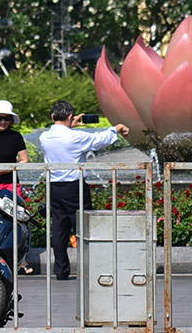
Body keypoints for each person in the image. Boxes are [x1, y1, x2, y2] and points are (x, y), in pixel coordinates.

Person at [38, 101, 127, 280]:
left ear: (52, 117)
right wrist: (115, 128)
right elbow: (99, 140)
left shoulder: (44, 138)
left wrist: (71, 125)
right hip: (74, 187)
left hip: (54, 187)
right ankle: (90, 268)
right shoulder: (76, 137)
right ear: (70, 117)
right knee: (84, 227)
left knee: (59, 230)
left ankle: (61, 270)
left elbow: (62, 132)